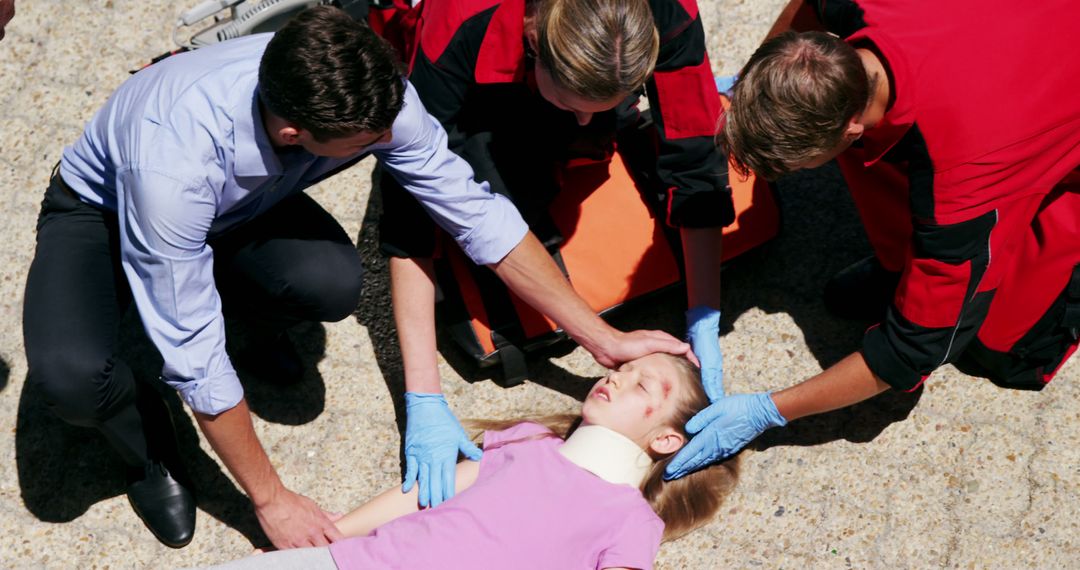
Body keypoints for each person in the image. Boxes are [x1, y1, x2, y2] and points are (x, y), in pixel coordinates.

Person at [22, 6, 689, 549]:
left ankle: (237, 304)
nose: (386, 144)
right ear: (292, 131)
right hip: (102, 215)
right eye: (364, 144)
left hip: (232, 208)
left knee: (333, 283)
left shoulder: (368, 96)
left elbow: (477, 217)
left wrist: (602, 337)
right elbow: (195, 357)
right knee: (75, 379)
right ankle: (150, 451)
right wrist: (273, 498)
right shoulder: (174, 170)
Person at [664, 0, 1080, 479]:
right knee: (877, 161)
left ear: (850, 126)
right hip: (1016, 35)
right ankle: (898, 265)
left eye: (797, 167)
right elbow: (807, 7)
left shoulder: (963, 179)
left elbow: (913, 351)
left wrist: (767, 410)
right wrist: (748, 86)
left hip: (1036, 103)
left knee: (999, 351)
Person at [378, 0, 732, 509]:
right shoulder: (462, 26)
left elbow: (694, 153)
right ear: (534, 42)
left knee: (587, 137)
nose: (588, 117)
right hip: (465, 75)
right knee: (497, 193)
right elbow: (408, 205)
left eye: (611, 98)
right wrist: (423, 395)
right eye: (573, 100)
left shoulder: (666, 11)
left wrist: (704, 313)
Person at [202, 352, 740, 569]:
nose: (617, 376)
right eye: (623, 368)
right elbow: (432, 489)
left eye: (644, 383)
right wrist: (335, 535)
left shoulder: (631, 518)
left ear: (667, 440)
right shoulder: (532, 443)